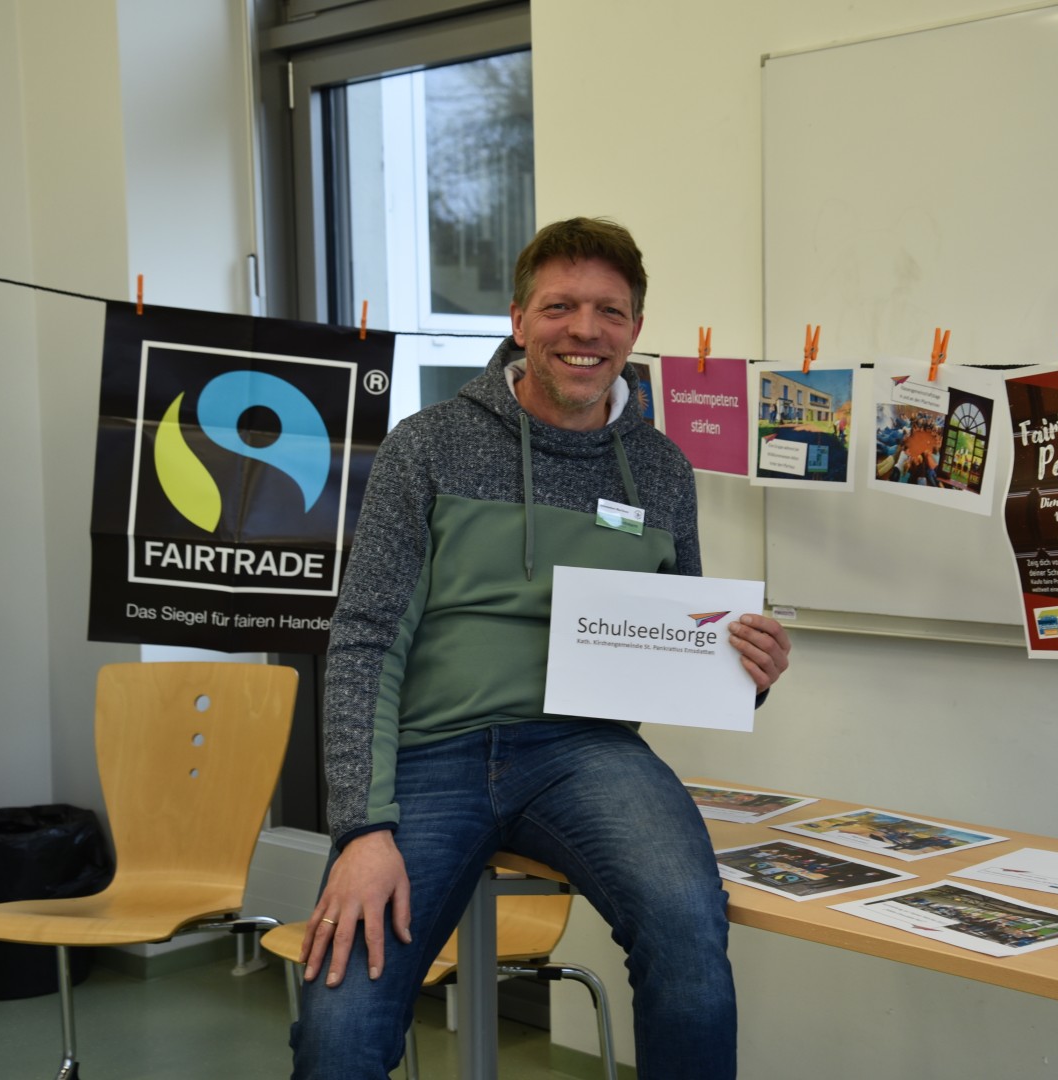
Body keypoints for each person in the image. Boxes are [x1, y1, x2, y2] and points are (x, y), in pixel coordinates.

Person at [290, 217, 792, 1080]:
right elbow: (365, 640)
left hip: (585, 753)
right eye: (560, 307)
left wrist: (748, 672)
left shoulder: (661, 468)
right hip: (429, 754)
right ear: (519, 320)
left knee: (688, 929)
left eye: (610, 311)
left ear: (635, 328)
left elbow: (682, 647)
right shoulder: (428, 446)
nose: (585, 330)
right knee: (342, 1016)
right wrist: (362, 828)